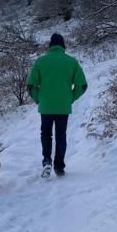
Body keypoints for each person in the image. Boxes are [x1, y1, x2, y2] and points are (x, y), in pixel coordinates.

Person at [26, 33, 87, 177]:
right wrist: (71, 98)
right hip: (63, 107)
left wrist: (39, 98)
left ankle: (47, 161)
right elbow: (82, 85)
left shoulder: (41, 61)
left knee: (46, 134)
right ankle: (59, 166)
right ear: (63, 46)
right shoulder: (71, 62)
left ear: (50, 46)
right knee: (61, 135)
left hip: (46, 106)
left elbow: (30, 85)